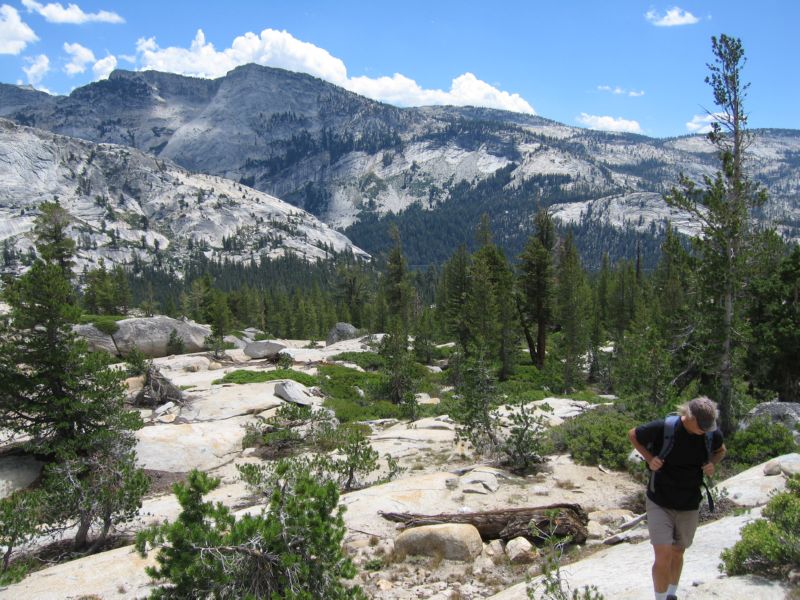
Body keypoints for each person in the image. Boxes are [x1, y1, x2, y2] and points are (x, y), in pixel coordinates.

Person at [627, 396, 726, 600]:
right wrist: (649, 458)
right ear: (688, 416)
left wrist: (712, 464)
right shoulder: (665, 428)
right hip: (659, 499)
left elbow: (721, 450)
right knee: (662, 554)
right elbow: (633, 434)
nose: (704, 431)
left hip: (689, 502)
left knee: (678, 552)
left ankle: (671, 594)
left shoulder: (710, 434)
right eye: (701, 427)